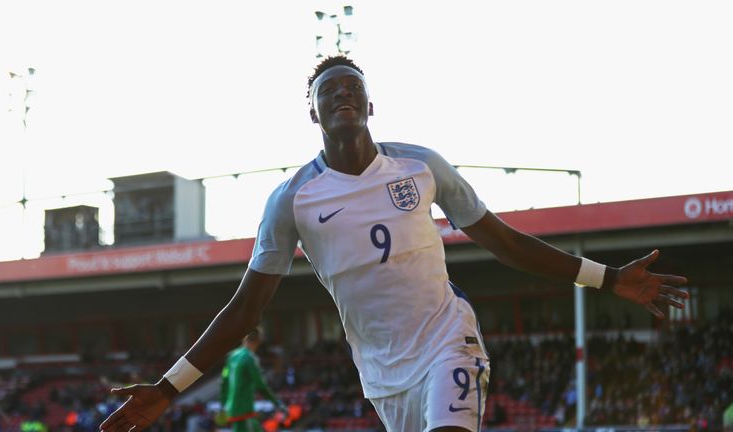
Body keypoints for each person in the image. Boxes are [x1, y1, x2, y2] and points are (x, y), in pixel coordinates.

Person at [100, 55, 690, 432]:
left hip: (447, 341)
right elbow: (245, 309)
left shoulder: (420, 166)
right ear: (314, 113)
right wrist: (168, 388)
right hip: (382, 374)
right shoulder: (292, 200)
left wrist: (609, 278)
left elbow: (505, 242)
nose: (341, 95)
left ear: (370, 105)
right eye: (328, 91)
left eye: (351, 86)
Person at [216, 327, 287, 432]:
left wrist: (222, 405)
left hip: (233, 409)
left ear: (244, 338)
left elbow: (224, 381)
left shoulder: (232, 357)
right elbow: (260, 385)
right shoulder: (250, 358)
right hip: (244, 411)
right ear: (259, 340)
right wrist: (277, 403)